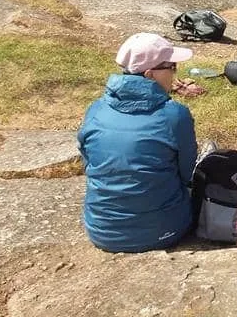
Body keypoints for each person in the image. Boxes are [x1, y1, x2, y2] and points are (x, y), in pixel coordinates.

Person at [78, 33, 198, 252]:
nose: (174, 73)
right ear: (150, 74)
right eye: (171, 66)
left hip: (101, 230)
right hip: (162, 231)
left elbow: (88, 162)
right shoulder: (174, 115)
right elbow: (187, 173)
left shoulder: (96, 109)